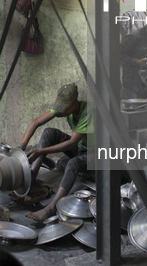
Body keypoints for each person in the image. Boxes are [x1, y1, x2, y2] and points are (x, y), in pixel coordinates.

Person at [18, 83, 92, 222]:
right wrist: (21, 147)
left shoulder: (89, 111)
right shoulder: (66, 107)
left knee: (73, 163)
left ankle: (51, 208)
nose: (62, 112)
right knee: (49, 132)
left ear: (75, 104)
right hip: (83, 148)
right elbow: (36, 122)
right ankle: (32, 178)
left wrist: (40, 151)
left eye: (65, 109)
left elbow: (72, 143)